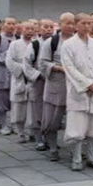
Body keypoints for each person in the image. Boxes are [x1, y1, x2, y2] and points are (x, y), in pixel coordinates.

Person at [61, 13, 93, 171]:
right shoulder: (68, 45)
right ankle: (76, 158)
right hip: (79, 91)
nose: (88, 26)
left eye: (90, 23)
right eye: (84, 23)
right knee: (77, 128)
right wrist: (87, 83)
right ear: (76, 25)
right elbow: (69, 68)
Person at [39, 12, 75, 161]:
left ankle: (75, 149)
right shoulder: (51, 42)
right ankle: (53, 147)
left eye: (73, 23)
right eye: (67, 23)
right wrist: (59, 68)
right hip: (56, 86)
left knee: (76, 120)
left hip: (75, 87)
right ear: (60, 24)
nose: (71, 26)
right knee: (52, 120)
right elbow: (42, 63)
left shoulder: (78, 41)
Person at [24, 19, 55, 151]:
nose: (48, 29)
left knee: (51, 111)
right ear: (39, 29)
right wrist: (38, 75)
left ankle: (49, 138)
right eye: (45, 27)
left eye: (50, 27)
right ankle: (38, 138)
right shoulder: (34, 45)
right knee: (37, 110)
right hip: (38, 82)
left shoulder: (56, 43)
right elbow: (27, 65)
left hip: (53, 81)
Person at [6, 22, 35, 142]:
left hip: (33, 78)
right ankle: (20, 132)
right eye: (27, 28)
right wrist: (24, 69)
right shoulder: (15, 44)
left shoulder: (36, 43)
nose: (29, 31)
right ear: (22, 30)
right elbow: (9, 61)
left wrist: (32, 72)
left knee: (33, 107)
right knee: (19, 106)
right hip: (20, 78)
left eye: (32, 29)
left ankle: (33, 132)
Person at [0, 17, 17, 133]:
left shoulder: (18, 39)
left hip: (15, 74)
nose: (11, 26)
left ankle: (15, 124)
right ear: (3, 25)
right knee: (1, 101)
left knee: (15, 101)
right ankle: (4, 124)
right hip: (1, 73)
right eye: (8, 23)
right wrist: (7, 57)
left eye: (13, 24)